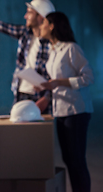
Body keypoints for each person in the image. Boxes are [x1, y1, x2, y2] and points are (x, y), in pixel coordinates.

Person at [38, 11, 94, 192]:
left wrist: (58, 83)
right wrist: (46, 89)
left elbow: (88, 77)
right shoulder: (53, 51)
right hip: (60, 110)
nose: (41, 27)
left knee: (77, 160)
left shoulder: (71, 49)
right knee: (69, 159)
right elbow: (55, 82)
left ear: (52, 25)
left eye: (44, 23)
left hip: (76, 111)